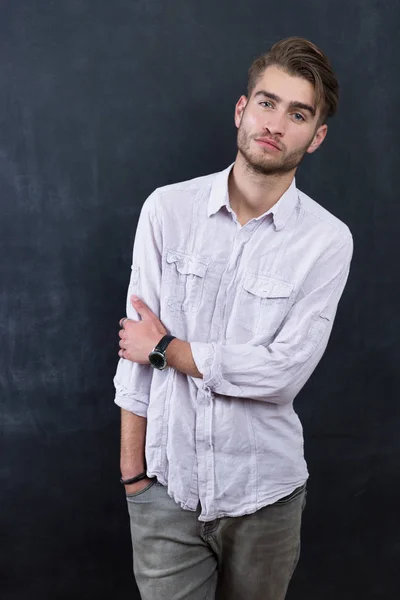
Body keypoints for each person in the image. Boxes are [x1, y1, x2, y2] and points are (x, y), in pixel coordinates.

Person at [113, 36, 353, 600]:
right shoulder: (166, 211)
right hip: (164, 495)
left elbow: (282, 375)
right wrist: (134, 478)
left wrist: (168, 348)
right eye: (267, 103)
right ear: (242, 110)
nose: (276, 124)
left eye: (298, 114)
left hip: (265, 497)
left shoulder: (326, 241)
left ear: (315, 137)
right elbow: (133, 359)